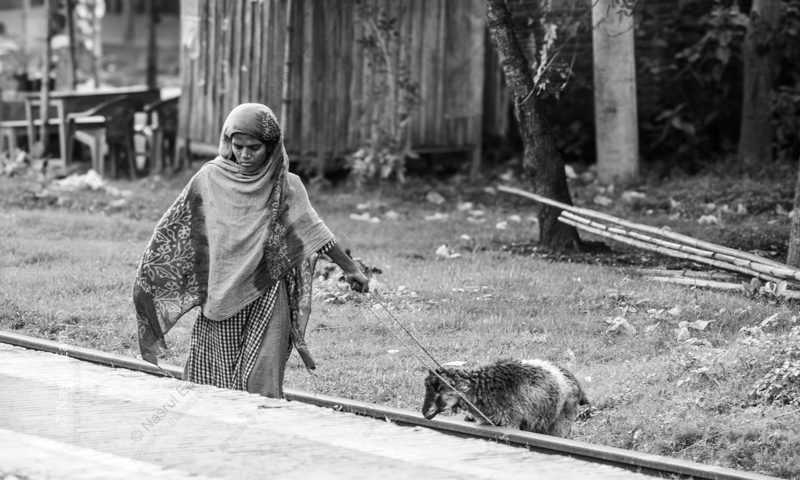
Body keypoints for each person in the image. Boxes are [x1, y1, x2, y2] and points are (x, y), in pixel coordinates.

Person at [133, 103, 369, 398]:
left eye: (254, 148)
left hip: (266, 291)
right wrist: (152, 276)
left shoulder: (286, 186)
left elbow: (314, 231)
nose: (244, 155)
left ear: (271, 148)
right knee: (209, 382)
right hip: (220, 294)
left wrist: (349, 268)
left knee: (264, 377)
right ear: (227, 143)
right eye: (238, 146)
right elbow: (178, 227)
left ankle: (262, 434)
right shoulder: (209, 179)